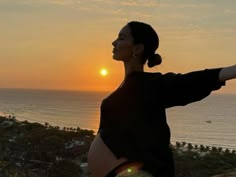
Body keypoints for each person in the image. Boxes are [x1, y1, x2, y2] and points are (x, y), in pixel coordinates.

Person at [88, 21, 236, 177]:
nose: (114, 42)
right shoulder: (131, 85)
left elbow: (190, 81)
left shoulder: (150, 85)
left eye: (121, 38)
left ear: (137, 48)